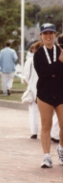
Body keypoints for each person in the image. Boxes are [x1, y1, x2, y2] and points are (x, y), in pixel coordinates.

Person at [34, 24, 63, 168]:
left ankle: (61, 149)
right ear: (41, 35)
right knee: (46, 125)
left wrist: (53, 70)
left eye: (51, 33)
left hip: (60, 92)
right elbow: (43, 73)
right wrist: (59, 63)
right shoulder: (38, 53)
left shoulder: (60, 50)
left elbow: (56, 73)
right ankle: (46, 156)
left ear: (55, 34)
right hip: (44, 93)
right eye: (45, 33)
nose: (48, 36)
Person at [24, 41, 42, 139]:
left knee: (33, 111)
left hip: (32, 88)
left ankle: (34, 131)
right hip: (45, 88)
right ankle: (51, 132)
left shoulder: (30, 61)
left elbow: (26, 76)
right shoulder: (48, 60)